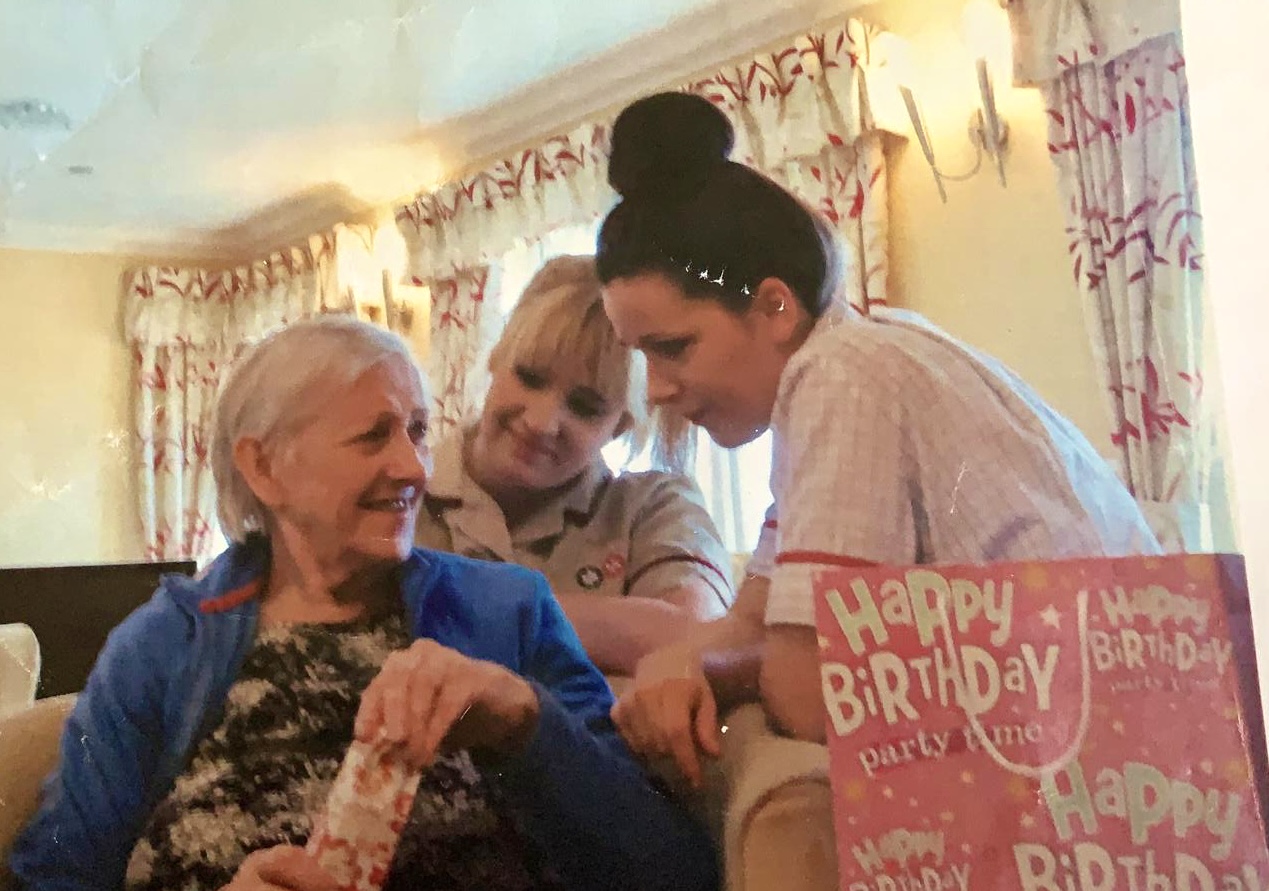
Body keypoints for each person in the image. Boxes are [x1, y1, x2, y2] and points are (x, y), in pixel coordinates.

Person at [8, 315, 717, 891]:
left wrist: (522, 720)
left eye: (416, 428)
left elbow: (666, 868)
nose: (414, 466)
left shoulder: (505, 609)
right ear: (264, 466)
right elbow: (56, 874)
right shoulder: (163, 642)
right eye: (374, 434)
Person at [594, 92, 1161, 787]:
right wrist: (682, 660)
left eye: (672, 346)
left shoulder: (843, 376)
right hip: (1118, 746)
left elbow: (811, 695)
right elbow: (750, 621)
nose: (653, 390)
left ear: (774, 305)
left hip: (1102, 767)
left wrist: (699, 663)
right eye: (640, 357)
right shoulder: (864, 353)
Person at [416, 255, 734, 677]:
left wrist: (461, 610)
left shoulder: (654, 506)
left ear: (620, 425)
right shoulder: (398, 489)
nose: (541, 422)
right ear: (496, 357)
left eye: (585, 407)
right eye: (530, 377)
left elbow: (698, 638)